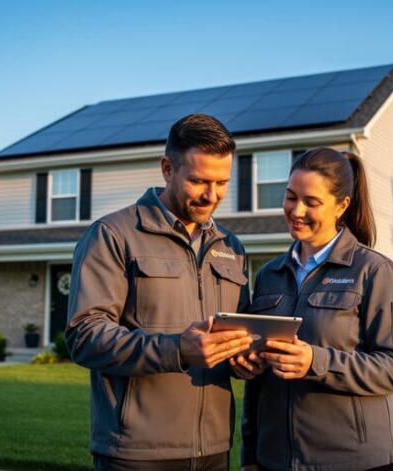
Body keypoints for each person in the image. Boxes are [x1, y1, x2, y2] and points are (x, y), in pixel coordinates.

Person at [66, 113, 260, 470]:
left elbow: (237, 333)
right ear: (167, 168)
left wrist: (244, 360)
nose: (211, 195)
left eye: (222, 183)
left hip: (214, 451)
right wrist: (176, 350)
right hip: (136, 453)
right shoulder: (113, 235)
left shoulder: (231, 246)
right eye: (199, 180)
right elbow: (84, 335)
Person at [240, 148, 393, 471]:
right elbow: (257, 384)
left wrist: (316, 361)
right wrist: (250, 455)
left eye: (311, 202)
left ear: (342, 206)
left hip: (355, 461)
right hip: (274, 461)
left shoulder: (375, 272)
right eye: (291, 197)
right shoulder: (269, 275)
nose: (296, 210)